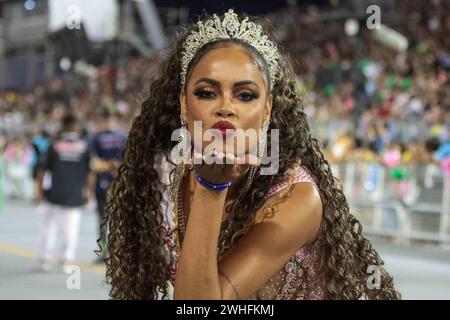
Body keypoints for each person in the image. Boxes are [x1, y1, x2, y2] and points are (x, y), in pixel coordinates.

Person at [102, 9, 401, 300]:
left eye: (245, 95)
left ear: (267, 109)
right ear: (183, 102)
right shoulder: (164, 173)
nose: (226, 107)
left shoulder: (296, 196)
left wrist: (211, 189)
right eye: (207, 92)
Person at [33, 114, 93, 272]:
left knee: (47, 227)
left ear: (63, 125)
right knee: (71, 230)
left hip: (53, 193)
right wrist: (88, 191)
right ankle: (66, 261)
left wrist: (38, 192)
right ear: (76, 126)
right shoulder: (84, 146)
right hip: (74, 194)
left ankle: (43, 260)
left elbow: (41, 170)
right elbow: (89, 172)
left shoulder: (54, 145)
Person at [90, 111, 126, 263]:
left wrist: (105, 165)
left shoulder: (96, 138)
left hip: (102, 184)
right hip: (119, 183)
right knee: (118, 219)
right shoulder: (123, 137)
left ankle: (104, 251)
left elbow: (93, 163)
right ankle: (116, 251)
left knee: (102, 219)